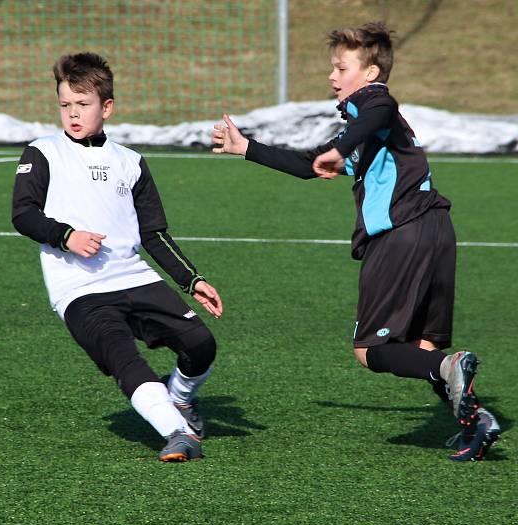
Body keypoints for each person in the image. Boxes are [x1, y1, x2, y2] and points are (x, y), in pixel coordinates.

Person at [211, 22, 500, 461]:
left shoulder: (374, 103)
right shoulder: (371, 131)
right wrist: (246, 147)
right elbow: (311, 165)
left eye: (340, 67)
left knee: (371, 349)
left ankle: (450, 370)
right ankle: (477, 421)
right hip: (438, 231)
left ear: (368, 74)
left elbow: (379, 108)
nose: (331, 76)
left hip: (402, 235)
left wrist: (343, 144)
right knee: (424, 348)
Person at [12, 52, 223, 462]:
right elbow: (23, 214)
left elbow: (155, 233)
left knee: (201, 345)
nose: (72, 114)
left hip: (134, 277)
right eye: (65, 105)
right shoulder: (43, 152)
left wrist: (192, 279)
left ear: (106, 107)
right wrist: (65, 236)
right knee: (123, 357)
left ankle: (179, 400)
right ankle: (178, 434)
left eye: (82, 104)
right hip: (79, 289)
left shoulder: (130, 162)